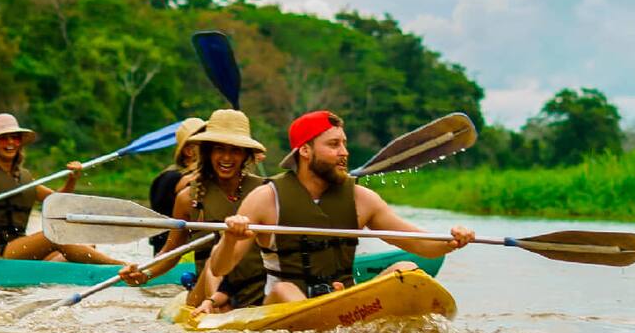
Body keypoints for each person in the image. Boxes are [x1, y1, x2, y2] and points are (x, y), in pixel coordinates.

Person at [208, 110, 475, 305]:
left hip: (343, 299)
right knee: (285, 290)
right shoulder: (265, 198)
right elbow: (220, 268)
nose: (344, 152)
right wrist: (231, 238)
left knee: (405, 268)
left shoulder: (362, 198)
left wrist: (453, 240)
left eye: (344, 144)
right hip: (282, 303)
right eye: (334, 145)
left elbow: (420, 244)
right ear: (305, 151)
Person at [122, 109, 267, 313]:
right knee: (211, 265)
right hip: (208, 287)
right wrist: (144, 274)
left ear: (245, 155)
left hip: (257, 286)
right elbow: (171, 252)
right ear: (208, 153)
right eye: (219, 149)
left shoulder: (266, 191)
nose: (227, 157)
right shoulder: (188, 198)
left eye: (235, 150)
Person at [0, 113, 130, 266]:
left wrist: (72, 179)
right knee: (55, 235)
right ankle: (123, 268)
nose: (10, 142)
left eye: (15, 138)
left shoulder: (25, 178)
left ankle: (99, 273)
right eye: (3, 138)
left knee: (84, 243)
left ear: (20, 143)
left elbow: (58, 201)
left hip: (19, 248)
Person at [147, 117, 205, 254]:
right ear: (189, 151)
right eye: (206, 144)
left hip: (196, 250)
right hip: (172, 254)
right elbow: (193, 181)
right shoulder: (169, 178)